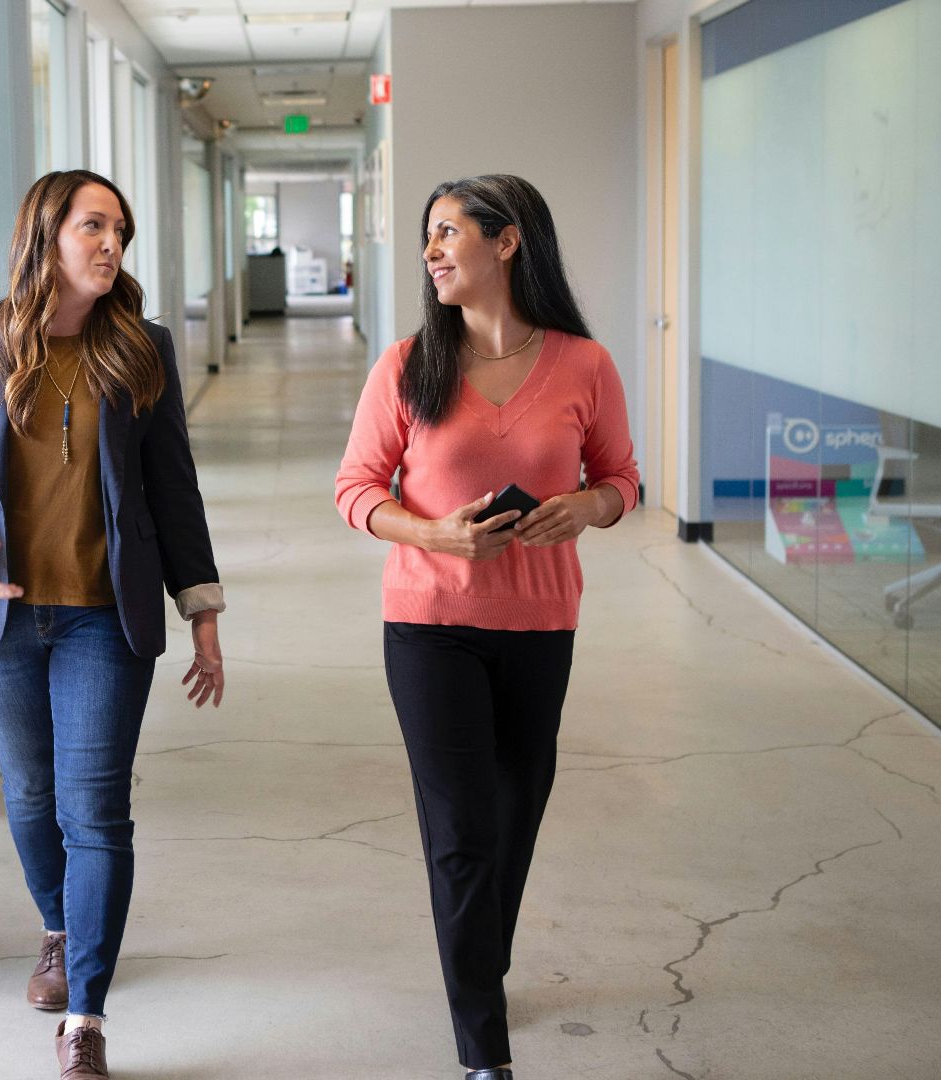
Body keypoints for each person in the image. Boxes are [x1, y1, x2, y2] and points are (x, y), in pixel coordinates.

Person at [0, 169, 225, 1080]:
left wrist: (200, 610)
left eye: (118, 227)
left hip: (100, 620)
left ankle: (85, 1014)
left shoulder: (141, 350)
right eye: (92, 224)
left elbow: (174, 494)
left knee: (97, 813)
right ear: (45, 231)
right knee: (31, 796)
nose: (110, 242)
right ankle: (57, 923)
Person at [333, 174, 639, 1080]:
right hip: (430, 624)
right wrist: (430, 531)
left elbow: (625, 480)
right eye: (428, 235)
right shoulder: (404, 365)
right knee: (460, 829)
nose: (430, 252)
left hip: (542, 623)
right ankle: (483, 1050)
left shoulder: (583, 364)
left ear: (507, 244)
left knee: (516, 813)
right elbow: (354, 489)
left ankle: (479, 962)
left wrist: (585, 505)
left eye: (447, 233)